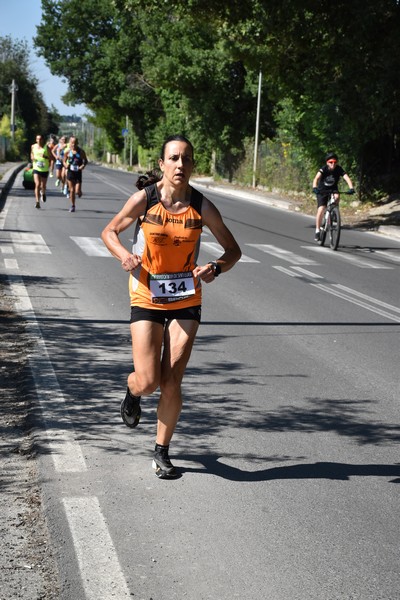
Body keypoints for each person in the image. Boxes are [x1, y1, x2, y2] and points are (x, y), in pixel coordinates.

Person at [101, 134, 242, 479]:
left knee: (172, 380)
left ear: (193, 166)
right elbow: (109, 231)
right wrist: (125, 256)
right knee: (149, 381)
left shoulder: (202, 206)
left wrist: (215, 268)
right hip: (147, 294)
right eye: (174, 158)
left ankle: (162, 451)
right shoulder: (144, 200)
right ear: (162, 164)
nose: (180, 164)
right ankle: (132, 391)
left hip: (186, 298)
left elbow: (233, 250)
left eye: (186, 159)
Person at [312, 152, 355, 241]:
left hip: (333, 189)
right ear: (327, 162)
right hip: (322, 190)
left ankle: (334, 211)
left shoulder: (339, 169)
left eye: (335, 162)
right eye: (331, 162)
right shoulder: (323, 169)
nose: (333, 164)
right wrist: (315, 187)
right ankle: (317, 231)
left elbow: (346, 177)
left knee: (337, 196)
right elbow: (316, 178)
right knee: (321, 209)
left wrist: (351, 188)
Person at [63, 136, 88, 212]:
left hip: (78, 173)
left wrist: (83, 166)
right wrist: (65, 165)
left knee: (77, 191)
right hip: (70, 172)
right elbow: (64, 161)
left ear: (77, 143)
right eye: (72, 143)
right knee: (72, 190)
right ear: (69, 143)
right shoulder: (67, 151)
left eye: (75, 143)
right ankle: (73, 205)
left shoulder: (81, 152)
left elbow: (85, 161)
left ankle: (79, 192)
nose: (73, 144)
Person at [30, 134, 50, 209]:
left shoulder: (46, 147)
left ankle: (43, 193)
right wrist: (32, 157)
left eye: (40, 139)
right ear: (36, 140)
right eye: (37, 139)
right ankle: (37, 202)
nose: (39, 140)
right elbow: (31, 154)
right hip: (36, 168)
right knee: (37, 184)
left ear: (43, 140)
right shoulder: (33, 146)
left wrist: (45, 156)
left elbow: (51, 158)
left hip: (44, 169)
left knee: (43, 186)